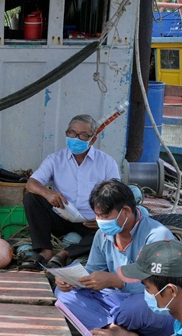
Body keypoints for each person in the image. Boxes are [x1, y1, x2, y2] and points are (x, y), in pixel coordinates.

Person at [54, 179, 175, 336]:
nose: (100, 221)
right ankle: (114, 328)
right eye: (97, 215)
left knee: (133, 309)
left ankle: (110, 324)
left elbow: (161, 287)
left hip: (155, 304)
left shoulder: (157, 236)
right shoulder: (102, 235)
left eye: (105, 216)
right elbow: (92, 269)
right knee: (64, 295)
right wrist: (72, 280)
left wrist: (116, 280)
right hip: (118, 299)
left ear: (125, 211)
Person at [20, 114, 120, 271]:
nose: (76, 138)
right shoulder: (55, 159)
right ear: (67, 134)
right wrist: (48, 193)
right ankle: (45, 252)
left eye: (83, 135)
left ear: (93, 139)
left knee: (112, 230)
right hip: (61, 218)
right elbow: (31, 183)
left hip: (91, 224)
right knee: (31, 198)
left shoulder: (107, 163)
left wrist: (103, 219)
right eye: (72, 133)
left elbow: (117, 196)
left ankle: (64, 254)